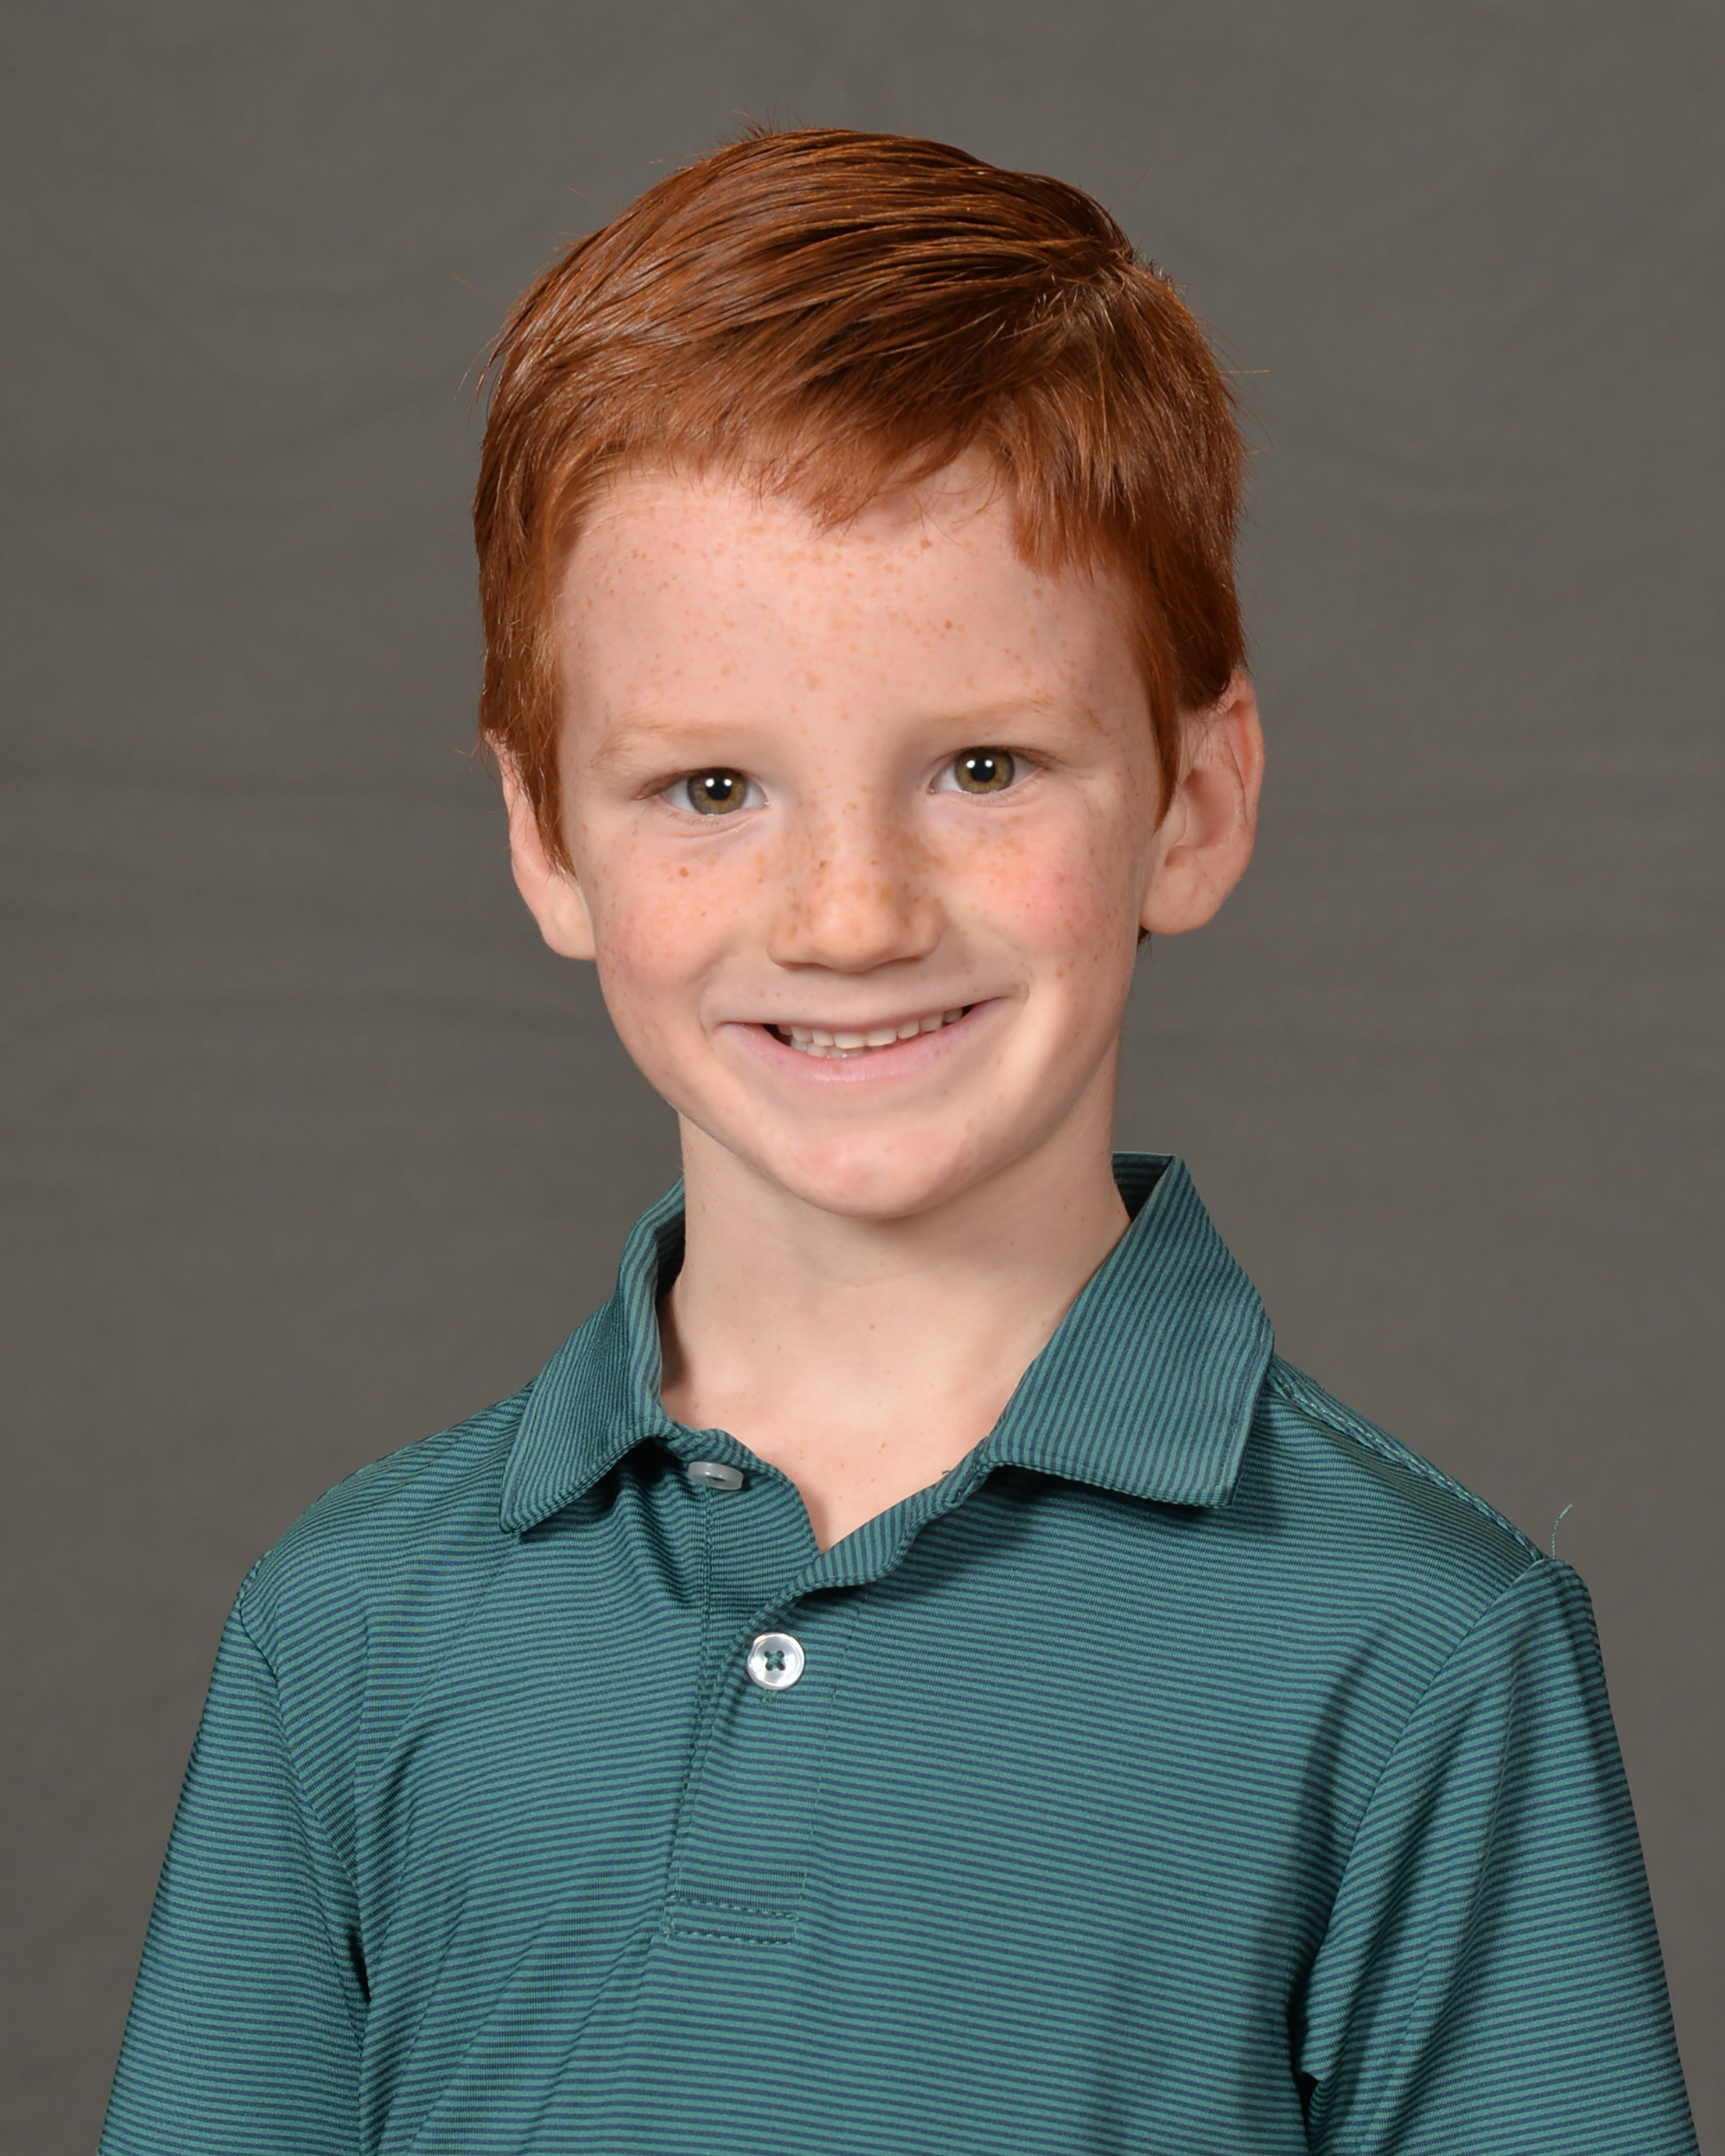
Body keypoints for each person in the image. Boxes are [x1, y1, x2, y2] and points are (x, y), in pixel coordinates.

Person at [99, 127, 1696, 2155]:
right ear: (544, 840)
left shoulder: (1421, 1650)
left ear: (1195, 805)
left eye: (982, 766)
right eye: (710, 789)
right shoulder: (346, 1632)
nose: (850, 915)